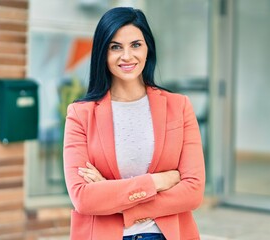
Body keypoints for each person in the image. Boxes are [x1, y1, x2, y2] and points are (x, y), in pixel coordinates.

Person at [63, 7, 205, 240]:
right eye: (115, 47)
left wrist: (115, 198)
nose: (127, 56)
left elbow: (193, 192)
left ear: (148, 48)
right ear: (102, 53)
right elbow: (83, 198)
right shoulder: (80, 114)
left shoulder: (179, 106)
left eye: (136, 45)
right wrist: (157, 181)